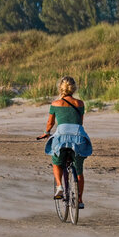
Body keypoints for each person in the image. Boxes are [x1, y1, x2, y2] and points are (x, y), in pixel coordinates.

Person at [38, 76, 92, 209]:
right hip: (78, 138)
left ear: (60, 88)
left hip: (61, 139)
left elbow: (50, 123)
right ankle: (79, 200)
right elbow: (80, 122)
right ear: (74, 88)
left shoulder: (55, 104)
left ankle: (59, 186)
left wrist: (47, 132)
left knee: (56, 162)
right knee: (79, 171)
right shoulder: (80, 104)